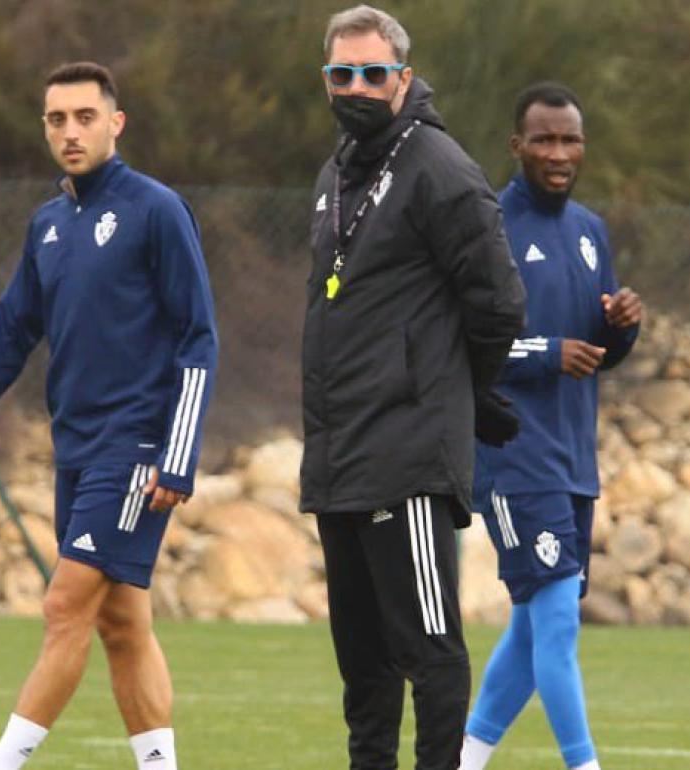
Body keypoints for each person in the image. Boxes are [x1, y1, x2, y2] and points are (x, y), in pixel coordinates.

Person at [0, 61, 217, 770]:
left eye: (85, 116)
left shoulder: (156, 209)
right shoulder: (48, 225)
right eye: (57, 119)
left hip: (137, 448)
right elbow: (6, 341)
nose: (71, 131)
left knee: (65, 607)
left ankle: (0, 764)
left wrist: (179, 455)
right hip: (77, 450)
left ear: (116, 123)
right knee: (121, 623)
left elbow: (198, 337)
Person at [301, 6, 527, 769]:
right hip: (340, 458)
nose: (356, 87)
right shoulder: (334, 174)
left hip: (409, 455)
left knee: (429, 650)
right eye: (342, 74)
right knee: (362, 670)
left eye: (372, 74)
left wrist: (460, 389)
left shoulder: (440, 167)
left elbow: (499, 301)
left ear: (403, 78)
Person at [459, 83, 642, 770]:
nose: (558, 153)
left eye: (570, 140)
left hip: (573, 455)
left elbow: (595, 353)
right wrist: (544, 352)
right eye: (544, 140)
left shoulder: (591, 230)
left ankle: (464, 758)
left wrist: (621, 328)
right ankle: (584, 764)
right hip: (511, 453)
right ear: (517, 147)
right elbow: (458, 344)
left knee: (535, 625)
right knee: (558, 622)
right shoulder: (488, 228)